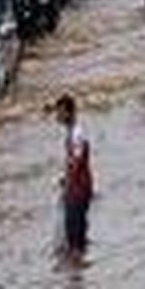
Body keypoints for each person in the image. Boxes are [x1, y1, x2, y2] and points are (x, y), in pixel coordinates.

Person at [54, 94, 94, 263]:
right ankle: (80, 269)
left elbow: (77, 163)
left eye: (61, 112)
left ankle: (76, 271)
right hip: (78, 186)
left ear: (70, 113)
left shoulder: (77, 134)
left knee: (73, 232)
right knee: (77, 230)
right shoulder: (73, 132)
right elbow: (73, 161)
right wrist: (65, 178)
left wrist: (69, 184)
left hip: (78, 188)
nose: (58, 116)